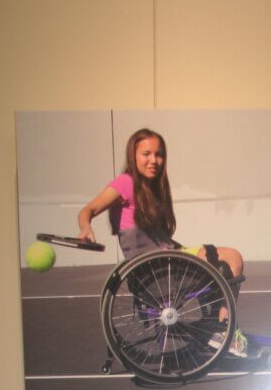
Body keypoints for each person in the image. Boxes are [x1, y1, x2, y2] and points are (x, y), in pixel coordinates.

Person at [77, 127, 247, 356]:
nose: (153, 160)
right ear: (133, 155)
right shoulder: (126, 183)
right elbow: (89, 209)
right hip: (158, 270)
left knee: (231, 258)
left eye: (158, 154)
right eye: (146, 154)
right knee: (229, 260)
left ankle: (219, 327)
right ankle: (221, 328)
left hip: (166, 260)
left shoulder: (154, 188)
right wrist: (86, 228)